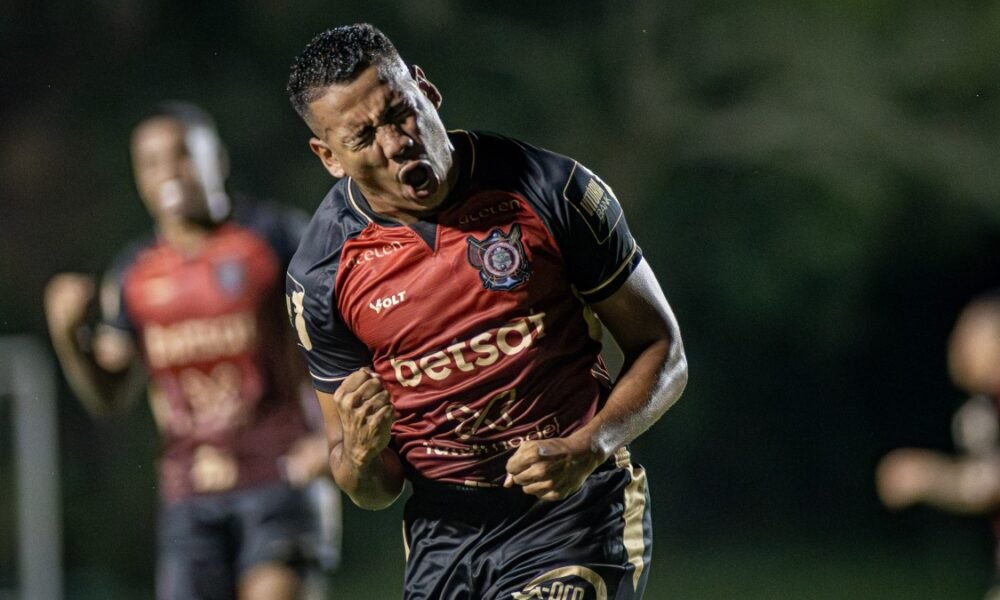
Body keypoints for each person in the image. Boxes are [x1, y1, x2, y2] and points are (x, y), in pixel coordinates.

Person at [284, 23, 688, 599]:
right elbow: (370, 487)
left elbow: (663, 350)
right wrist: (360, 452)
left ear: (426, 90)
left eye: (400, 112)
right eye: (363, 136)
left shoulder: (551, 189)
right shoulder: (319, 276)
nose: (397, 143)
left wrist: (587, 447)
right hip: (444, 535)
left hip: (573, 512)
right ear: (328, 157)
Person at [44, 102, 339, 600]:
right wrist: (68, 336)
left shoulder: (275, 237)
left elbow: (343, 334)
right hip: (190, 493)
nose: (169, 172)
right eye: (152, 162)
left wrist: (334, 438)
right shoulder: (135, 271)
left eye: (182, 154)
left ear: (216, 158)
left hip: (280, 478)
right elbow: (110, 396)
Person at [877, 291, 1000, 599]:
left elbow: (989, 483)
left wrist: (925, 475)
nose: (957, 345)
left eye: (970, 334)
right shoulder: (980, 411)